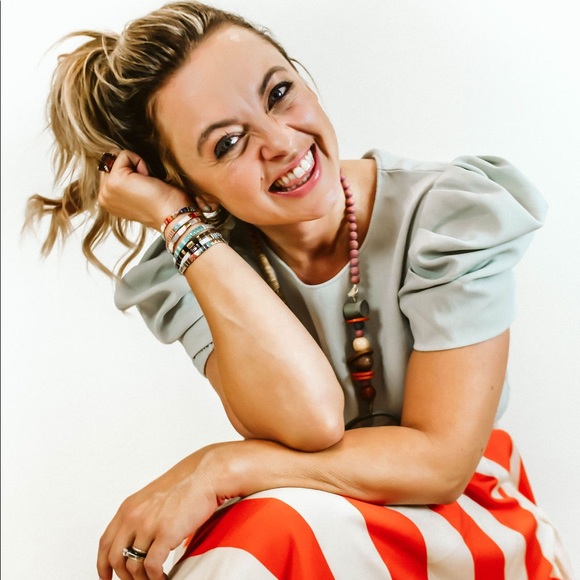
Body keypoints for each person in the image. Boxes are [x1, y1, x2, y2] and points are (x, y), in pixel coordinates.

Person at [25, 2, 573, 579]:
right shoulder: (194, 266)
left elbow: (441, 465)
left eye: (279, 93)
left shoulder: (448, 215)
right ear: (192, 189)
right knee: (269, 529)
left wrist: (221, 467)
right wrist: (178, 223)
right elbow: (310, 421)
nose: (281, 141)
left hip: (472, 525)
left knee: (267, 528)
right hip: (314, 519)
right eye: (227, 143)